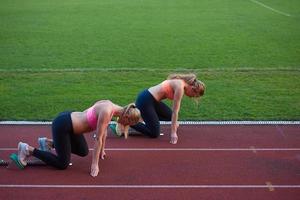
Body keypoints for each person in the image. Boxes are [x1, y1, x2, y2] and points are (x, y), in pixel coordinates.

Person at [13, 100, 140, 177]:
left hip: (70, 120)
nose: (125, 126)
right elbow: (98, 139)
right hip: (64, 125)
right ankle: (27, 149)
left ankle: (48, 143)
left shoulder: (110, 105)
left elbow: (104, 131)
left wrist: (102, 150)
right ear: (127, 117)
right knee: (62, 163)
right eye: (127, 124)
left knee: (83, 151)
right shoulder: (107, 111)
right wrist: (95, 164)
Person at [110, 73, 205, 144]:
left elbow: (173, 115)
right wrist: (173, 133)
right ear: (192, 88)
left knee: (170, 117)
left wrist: (174, 122)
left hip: (152, 101)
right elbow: (176, 111)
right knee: (154, 133)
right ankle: (126, 121)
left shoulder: (182, 83)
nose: (191, 97)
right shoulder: (180, 87)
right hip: (146, 100)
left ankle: (141, 115)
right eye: (193, 95)